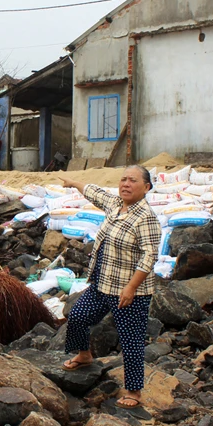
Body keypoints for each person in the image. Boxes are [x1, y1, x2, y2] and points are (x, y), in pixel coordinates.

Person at [58, 165, 161, 410]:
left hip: (129, 291)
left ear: (146, 188)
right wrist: (73, 182)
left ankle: (134, 391)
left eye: (132, 180)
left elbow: (149, 256)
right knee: (78, 316)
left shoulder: (146, 217)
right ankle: (84, 355)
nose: (125, 184)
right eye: (123, 179)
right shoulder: (116, 204)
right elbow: (94, 193)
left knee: (131, 341)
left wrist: (131, 288)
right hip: (102, 283)